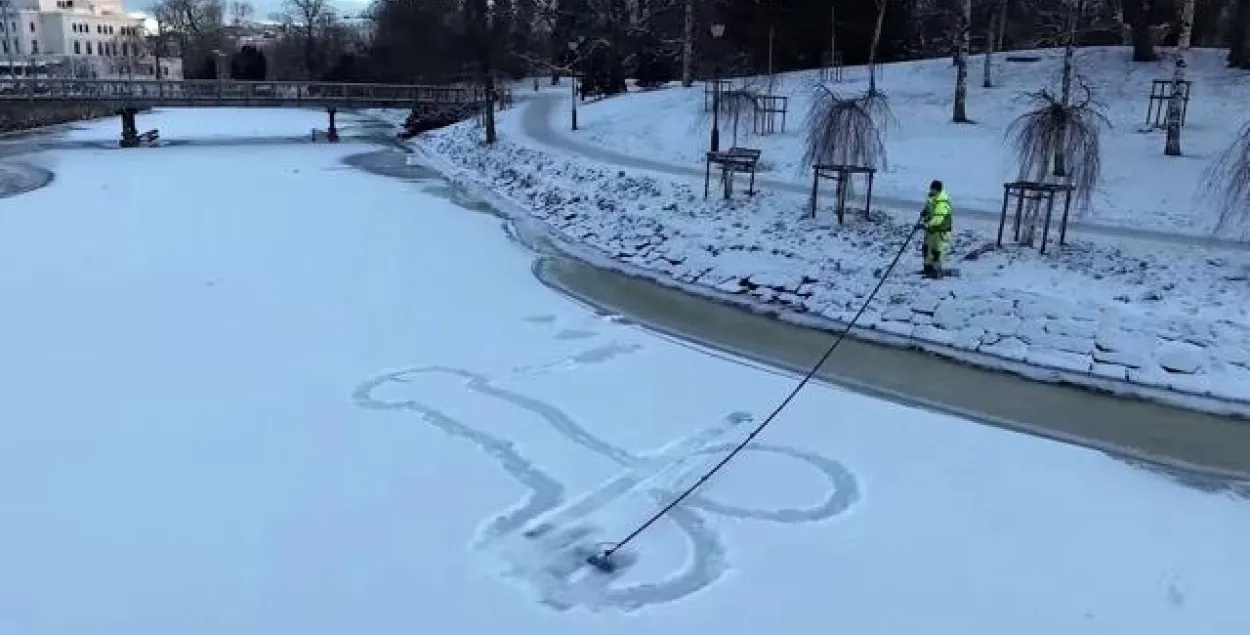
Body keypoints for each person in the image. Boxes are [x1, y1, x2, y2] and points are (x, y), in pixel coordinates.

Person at [919, 180, 953, 279]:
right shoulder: (932, 197)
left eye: (933, 189)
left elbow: (938, 219)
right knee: (926, 248)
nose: (931, 190)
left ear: (937, 190)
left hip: (940, 230)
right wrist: (925, 211)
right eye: (931, 189)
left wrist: (926, 224)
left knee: (936, 251)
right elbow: (929, 208)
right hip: (931, 229)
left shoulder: (942, 201)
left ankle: (936, 271)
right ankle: (927, 268)